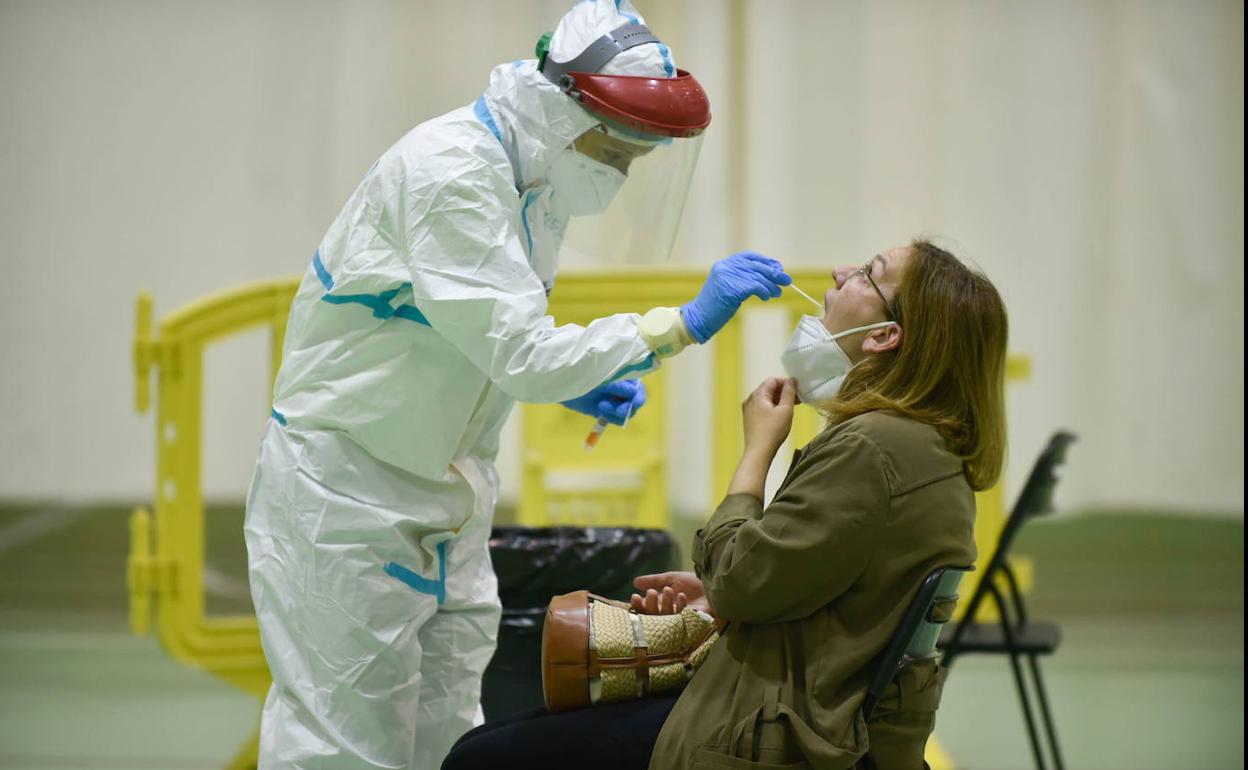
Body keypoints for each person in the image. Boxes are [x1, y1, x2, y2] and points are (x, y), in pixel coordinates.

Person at [242, 1, 791, 768]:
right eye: (620, 151)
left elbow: (466, 325)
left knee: (447, 735)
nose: (622, 173)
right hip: (350, 498)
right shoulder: (453, 173)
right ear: (564, 110)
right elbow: (522, 348)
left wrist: (570, 381)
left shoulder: (530, 181)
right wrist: (684, 323)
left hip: (445, 494)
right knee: (342, 745)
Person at [441, 239, 1010, 770]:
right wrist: (716, 594)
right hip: (819, 716)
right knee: (487, 745)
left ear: (885, 336)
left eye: (867, 274)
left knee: (477, 759)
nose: (840, 273)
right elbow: (804, 582)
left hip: (774, 730)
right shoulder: (923, 447)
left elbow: (742, 578)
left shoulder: (873, 447)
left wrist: (757, 451)